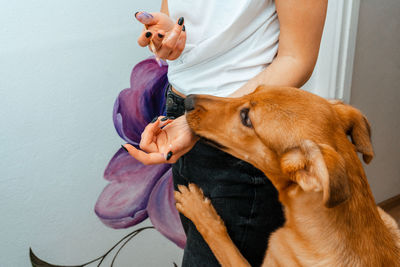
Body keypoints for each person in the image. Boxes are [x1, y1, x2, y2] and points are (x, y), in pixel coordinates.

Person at [124, 0, 328, 266]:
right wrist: (166, 37)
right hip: (181, 112)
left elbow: (296, 60)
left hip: (242, 130)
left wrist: (205, 120)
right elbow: (179, 16)